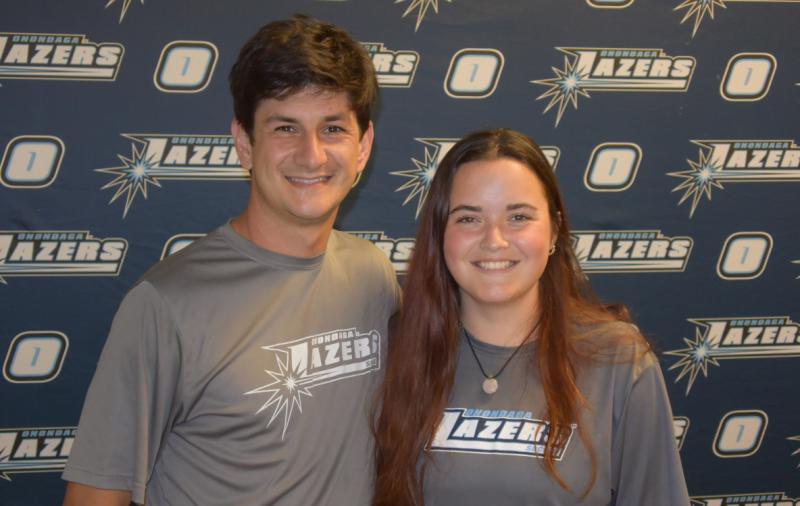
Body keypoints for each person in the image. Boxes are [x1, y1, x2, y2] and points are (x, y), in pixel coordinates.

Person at [62, 14, 400, 506]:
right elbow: (95, 495)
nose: (312, 155)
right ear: (244, 143)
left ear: (363, 147)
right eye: (286, 127)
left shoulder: (374, 274)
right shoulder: (165, 304)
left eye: (332, 128)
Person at [373, 129, 689, 506]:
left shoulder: (619, 360)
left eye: (518, 217)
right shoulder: (394, 352)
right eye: (469, 219)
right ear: (440, 233)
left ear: (554, 229)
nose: (494, 240)